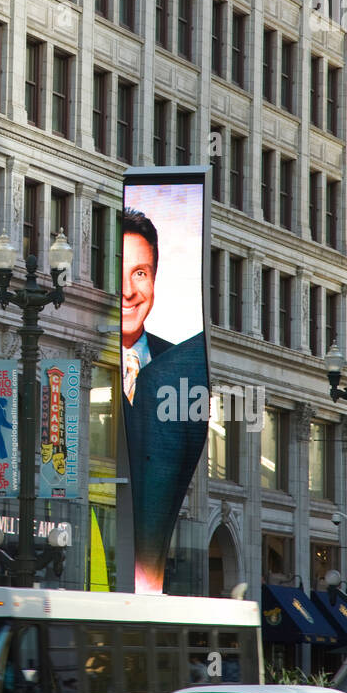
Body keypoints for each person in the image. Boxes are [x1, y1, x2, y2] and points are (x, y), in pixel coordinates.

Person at [120, 208, 208, 595]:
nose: (128, 290)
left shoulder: (185, 368)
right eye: (120, 271)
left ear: (155, 279)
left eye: (140, 272)